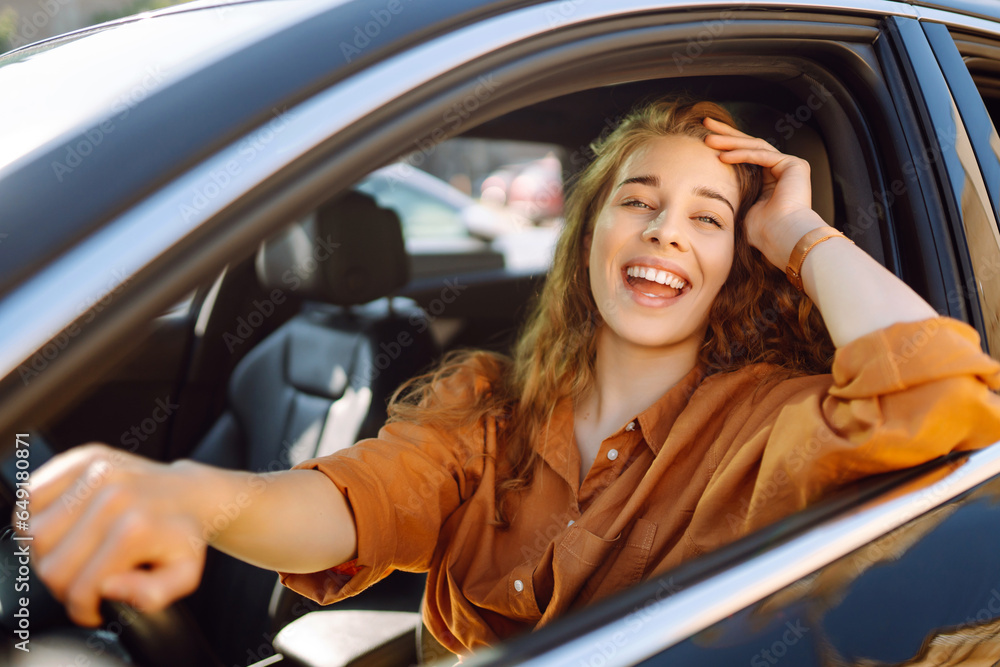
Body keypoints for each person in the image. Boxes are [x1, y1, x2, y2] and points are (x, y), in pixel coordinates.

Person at [22, 98, 1000, 656]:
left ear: (732, 263)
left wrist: (798, 232)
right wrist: (189, 494)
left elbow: (938, 395)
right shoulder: (485, 405)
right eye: (640, 200)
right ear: (589, 232)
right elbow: (349, 504)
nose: (665, 229)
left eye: (708, 218)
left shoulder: (765, 423)